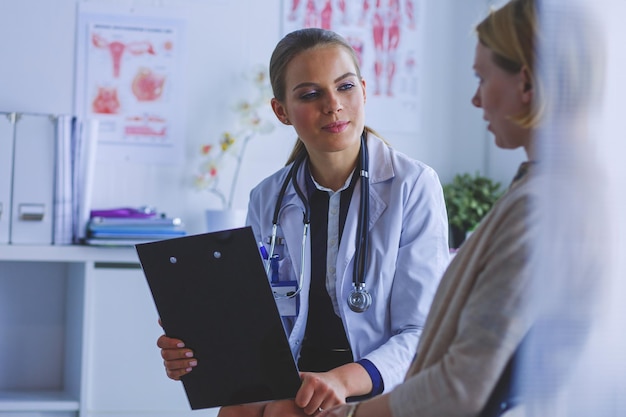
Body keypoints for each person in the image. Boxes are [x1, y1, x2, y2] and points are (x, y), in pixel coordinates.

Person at [157, 28, 450, 416]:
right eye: (310, 94)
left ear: (363, 91)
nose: (333, 105)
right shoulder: (267, 197)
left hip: (375, 378)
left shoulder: (412, 186)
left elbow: (420, 334)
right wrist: (198, 349)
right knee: (237, 411)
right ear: (281, 111)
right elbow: (255, 322)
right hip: (293, 377)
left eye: (345, 87)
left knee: (283, 413)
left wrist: (341, 380)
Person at [318, 0, 542, 415]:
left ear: (525, 83)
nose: (475, 100)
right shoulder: (533, 191)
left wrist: (350, 411)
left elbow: (460, 380)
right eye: (310, 94)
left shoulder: (538, 208)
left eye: (481, 77)